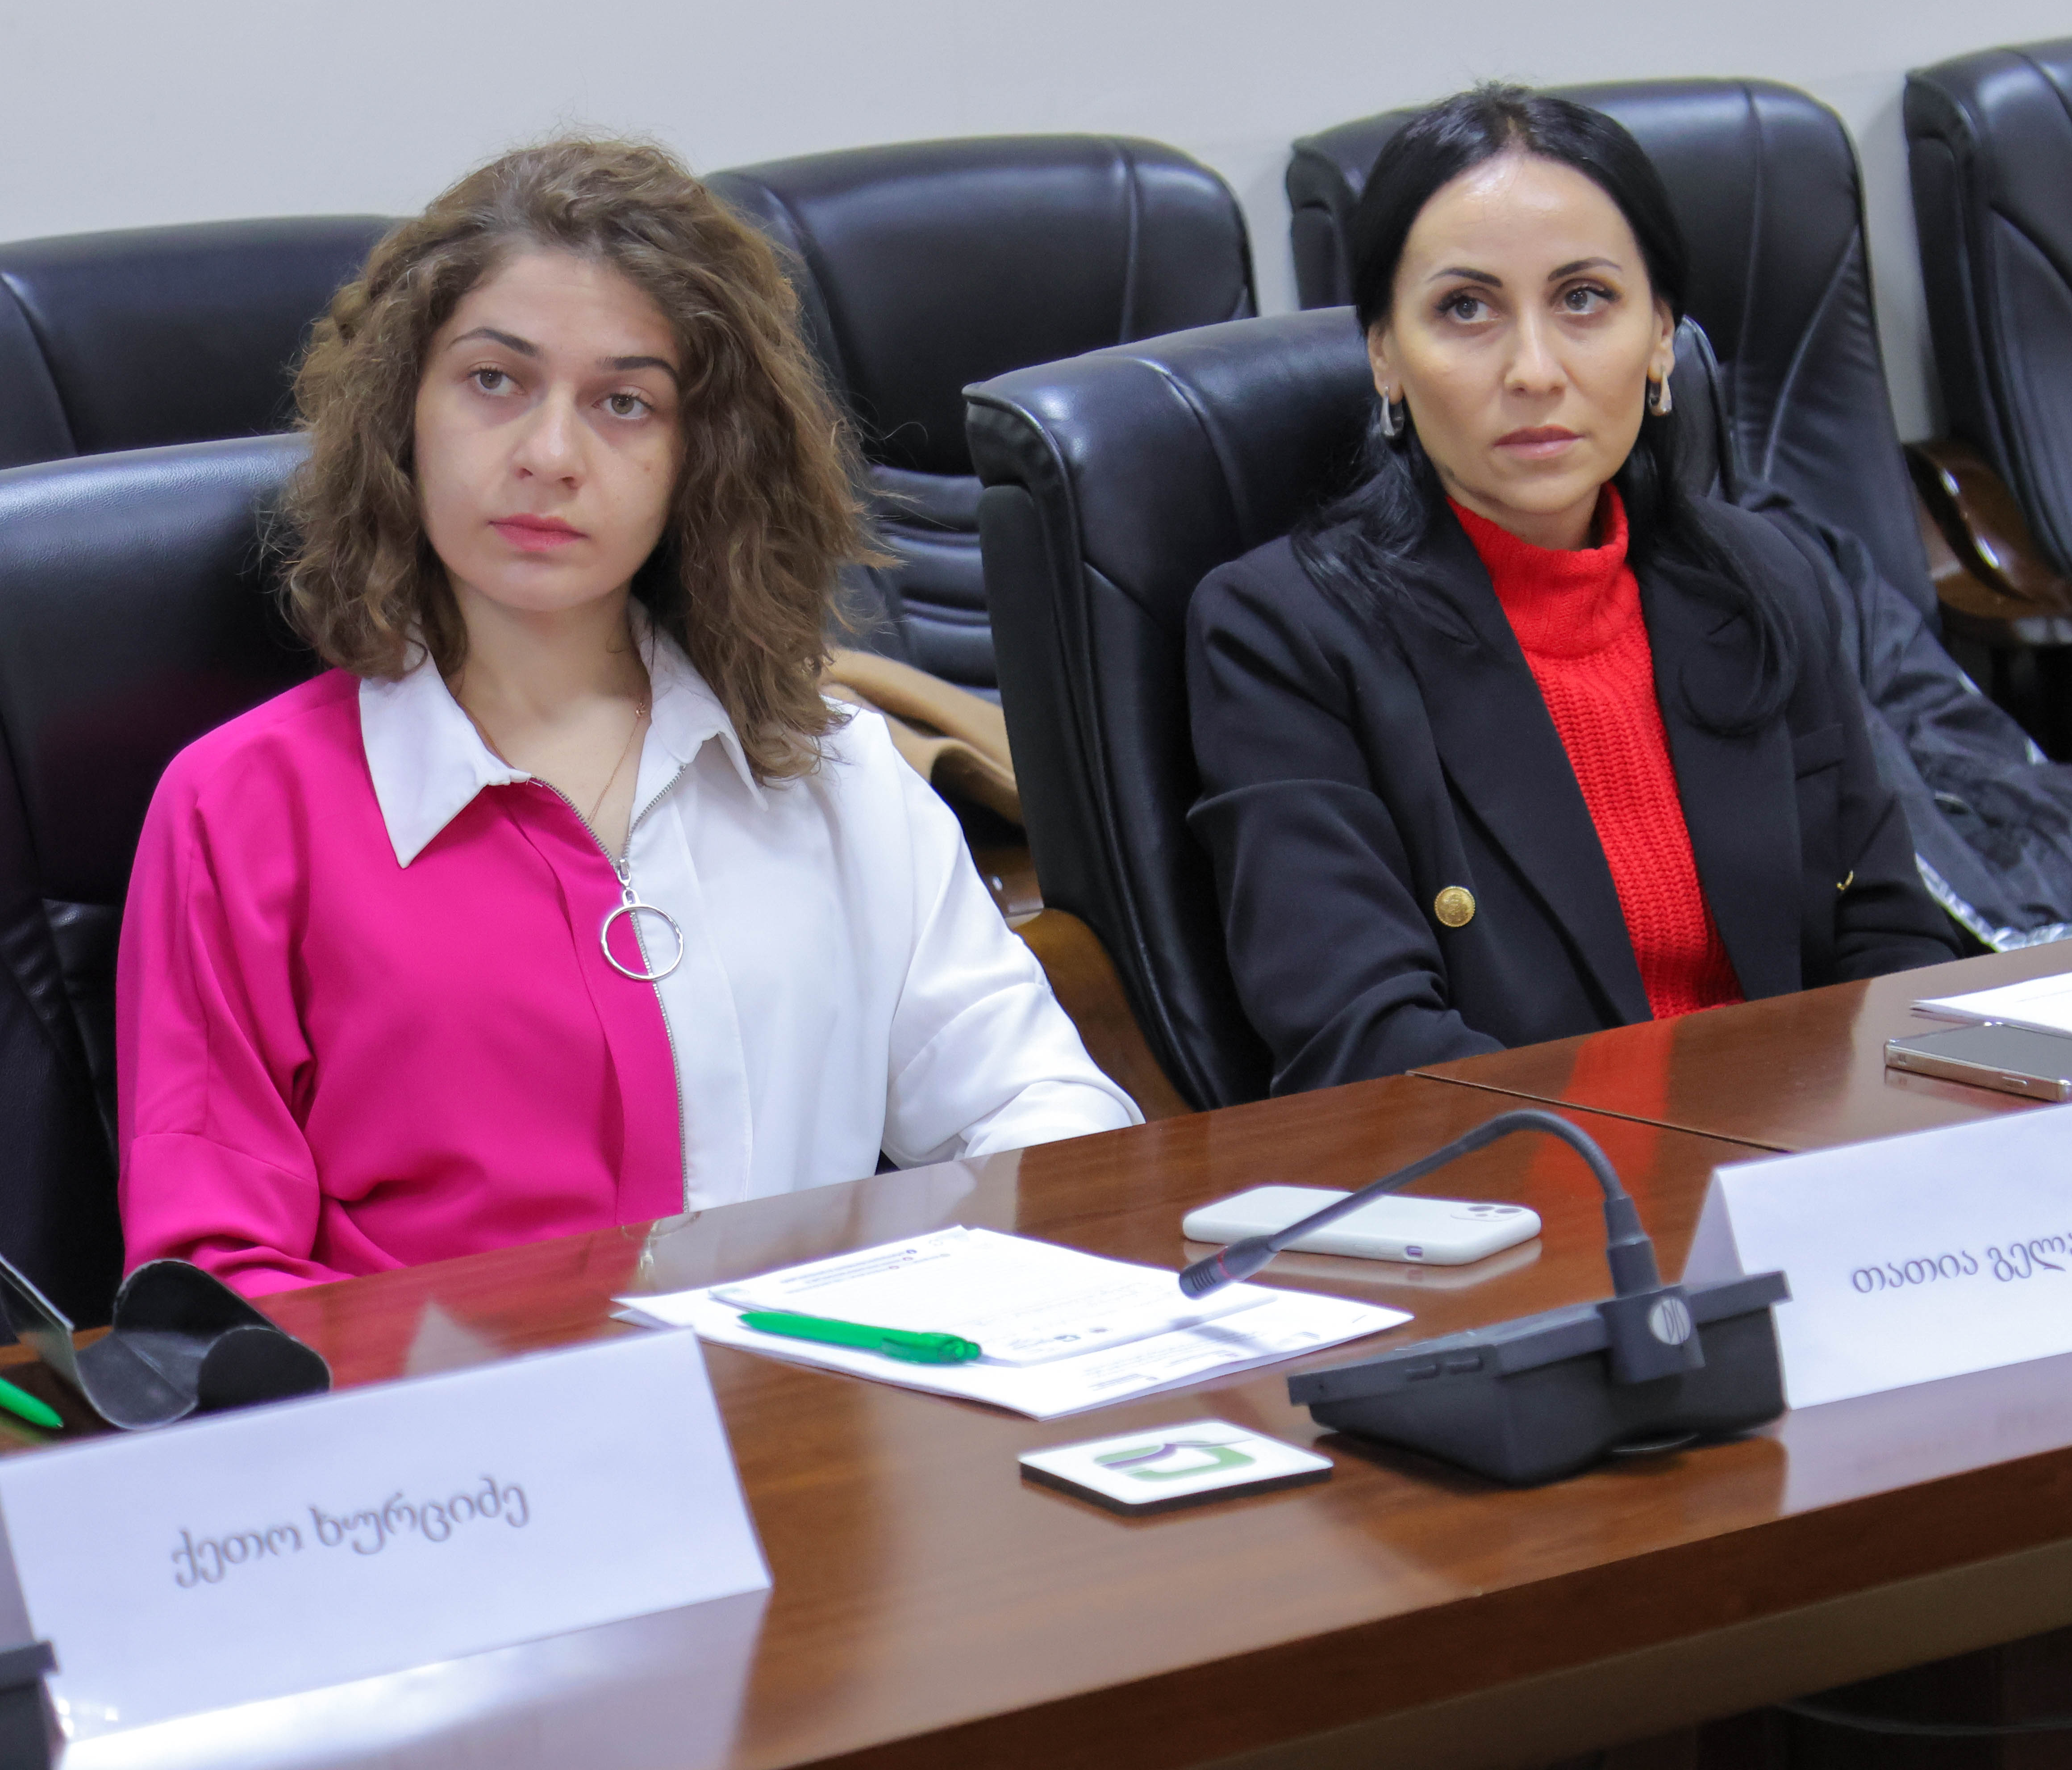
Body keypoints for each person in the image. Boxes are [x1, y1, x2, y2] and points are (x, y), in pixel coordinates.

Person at [117, 139, 1137, 1295]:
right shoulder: (241, 809)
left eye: (625, 403)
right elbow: (221, 1280)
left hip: (809, 1393)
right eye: (494, 380)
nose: (551, 455)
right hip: (435, 1413)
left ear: (703, 457)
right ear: (400, 411)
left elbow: (1041, 1112)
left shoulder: (832, 768)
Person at [1188, 85, 1954, 1094]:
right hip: (1524, 1174)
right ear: (1384, 355)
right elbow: (1367, 1051)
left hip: (1804, 1151)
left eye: (1585, 298)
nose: (1535, 370)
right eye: (1466, 308)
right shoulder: (1282, 634)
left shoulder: (1762, 575)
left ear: (1661, 336)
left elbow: (1890, 941)